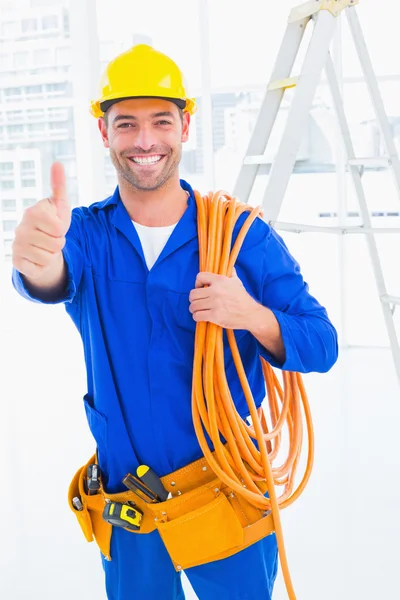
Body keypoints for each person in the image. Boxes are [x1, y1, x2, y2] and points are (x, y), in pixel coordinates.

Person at [11, 44, 338, 600]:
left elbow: (321, 343)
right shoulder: (86, 235)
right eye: (127, 124)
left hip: (225, 494)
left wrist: (253, 316)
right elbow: (52, 278)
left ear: (185, 126)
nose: (144, 141)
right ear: (103, 132)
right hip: (128, 501)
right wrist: (35, 263)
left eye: (161, 121)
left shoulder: (239, 234)